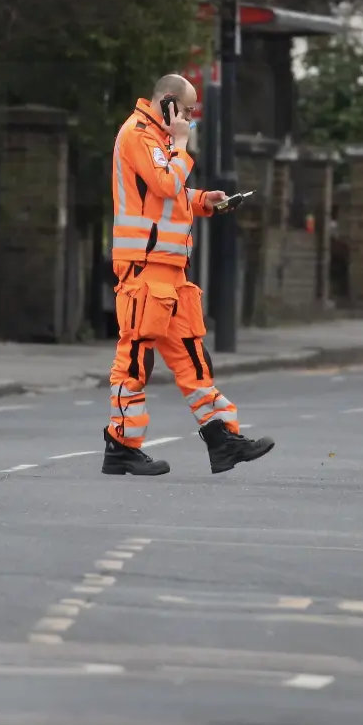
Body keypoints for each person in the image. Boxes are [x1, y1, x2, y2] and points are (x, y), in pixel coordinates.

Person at [102, 74, 275, 476]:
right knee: (134, 360)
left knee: (194, 360)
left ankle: (222, 440)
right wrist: (181, 144)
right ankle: (121, 445)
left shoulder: (159, 139)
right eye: (186, 110)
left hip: (171, 273)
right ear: (166, 104)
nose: (190, 119)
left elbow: (168, 196)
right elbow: (164, 183)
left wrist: (204, 201)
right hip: (144, 269)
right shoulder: (138, 134)